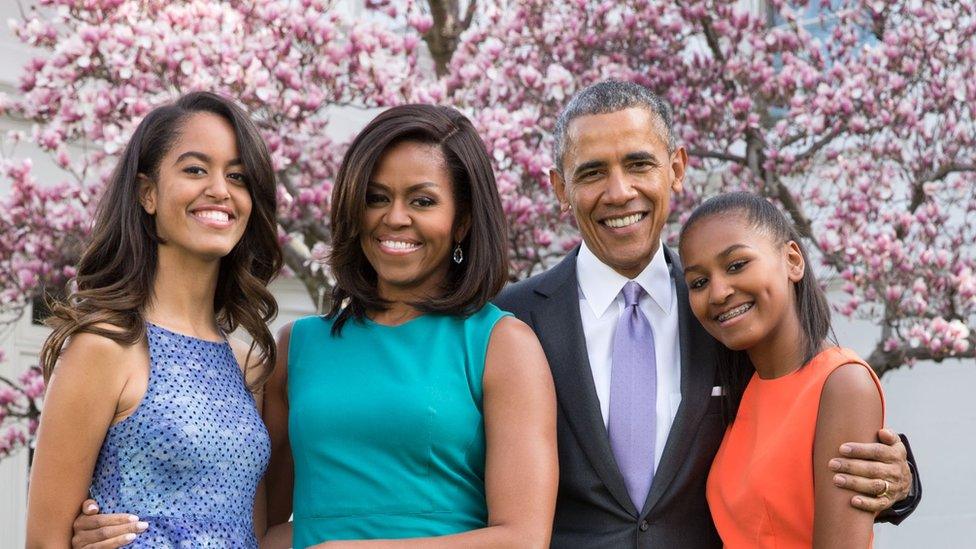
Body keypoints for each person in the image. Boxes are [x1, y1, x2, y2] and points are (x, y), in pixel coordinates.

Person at [493, 80, 920, 548]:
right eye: (593, 173)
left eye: (639, 164)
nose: (619, 192)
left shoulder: (727, 312)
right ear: (560, 188)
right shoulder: (511, 322)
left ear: (675, 168)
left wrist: (898, 482)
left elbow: (800, 409)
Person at [255, 104, 557, 548]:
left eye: (422, 201)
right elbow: (254, 529)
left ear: (463, 222)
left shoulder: (502, 344)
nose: (394, 217)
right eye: (376, 198)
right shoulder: (298, 345)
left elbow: (524, 539)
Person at [27, 92, 282, 547]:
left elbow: (255, 535)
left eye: (238, 176)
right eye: (195, 169)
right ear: (148, 193)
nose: (220, 190)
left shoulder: (251, 367)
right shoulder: (105, 346)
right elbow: (44, 541)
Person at [679, 191, 884, 548]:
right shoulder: (744, 389)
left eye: (736, 265)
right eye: (699, 282)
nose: (718, 292)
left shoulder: (842, 383)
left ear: (792, 260)